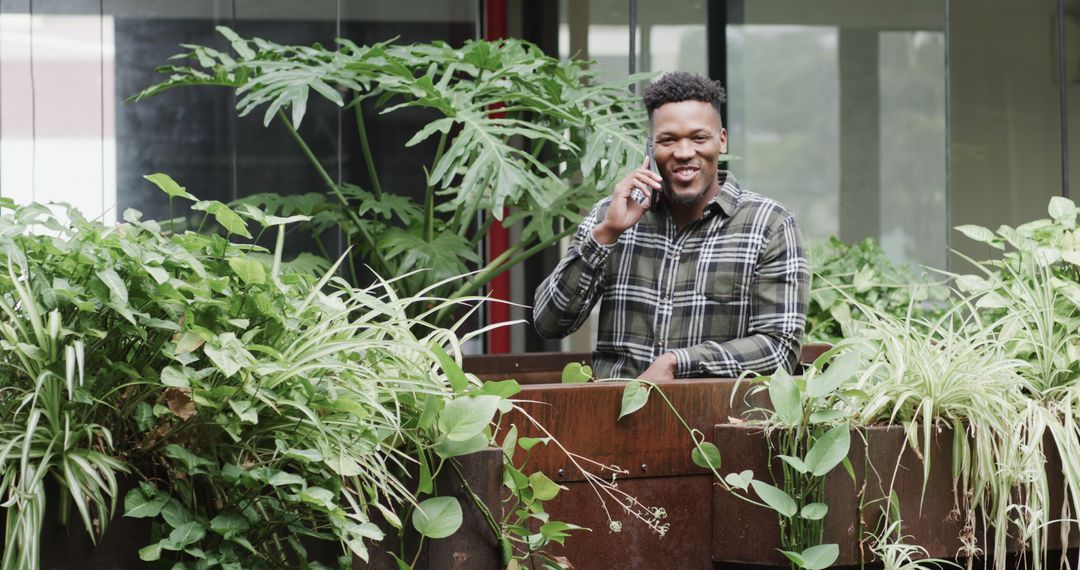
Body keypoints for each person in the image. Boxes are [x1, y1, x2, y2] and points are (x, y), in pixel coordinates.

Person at [532, 72, 809, 381]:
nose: (684, 152)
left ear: (722, 140)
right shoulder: (610, 217)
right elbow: (548, 324)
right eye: (668, 140)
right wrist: (606, 235)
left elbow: (779, 348)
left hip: (710, 424)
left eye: (698, 137)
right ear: (651, 148)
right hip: (614, 418)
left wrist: (678, 362)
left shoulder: (769, 225)